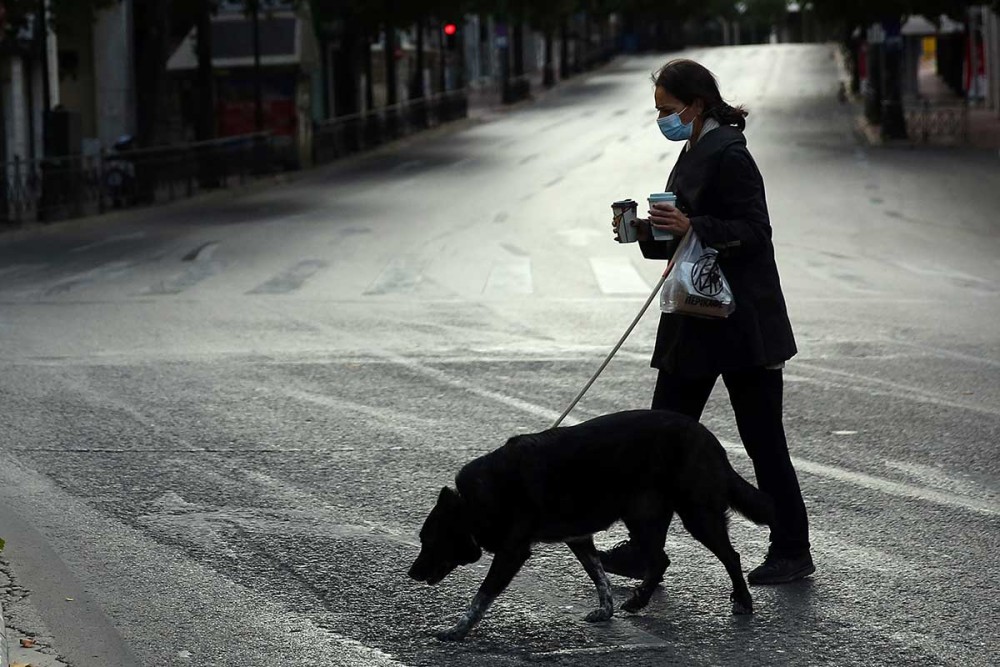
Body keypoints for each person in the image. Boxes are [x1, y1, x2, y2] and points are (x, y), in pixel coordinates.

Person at [600, 59, 813, 585]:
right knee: (661, 437)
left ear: (696, 105)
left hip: (742, 324)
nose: (662, 120)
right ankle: (646, 548)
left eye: (668, 110)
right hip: (696, 320)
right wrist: (647, 232)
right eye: (658, 112)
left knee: (763, 441)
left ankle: (791, 548)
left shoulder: (731, 152)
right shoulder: (693, 148)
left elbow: (754, 231)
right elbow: (687, 234)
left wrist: (694, 223)